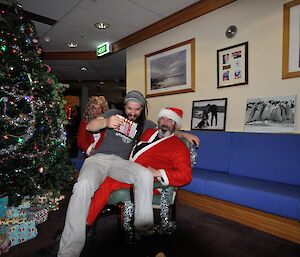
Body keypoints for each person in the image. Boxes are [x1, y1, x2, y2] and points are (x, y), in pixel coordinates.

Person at [57, 90, 199, 257]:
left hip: (122, 164)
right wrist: (106, 122)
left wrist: (183, 134)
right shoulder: (115, 114)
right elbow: (90, 126)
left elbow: (167, 131)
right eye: (129, 108)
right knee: (82, 187)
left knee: (144, 175)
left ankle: (144, 233)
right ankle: (69, 250)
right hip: (99, 159)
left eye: (137, 109)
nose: (132, 113)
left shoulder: (146, 125)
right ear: (124, 107)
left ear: (142, 109)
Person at [87, 107, 193, 226]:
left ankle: (86, 224)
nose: (165, 123)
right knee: (95, 175)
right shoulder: (148, 132)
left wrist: (158, 172)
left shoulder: (178, 147)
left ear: (175, 124)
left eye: (170, 120)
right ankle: (87, 217)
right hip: (128, 169)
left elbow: (186, 175)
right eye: (162, 119)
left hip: (147, 180)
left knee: (107, 182)